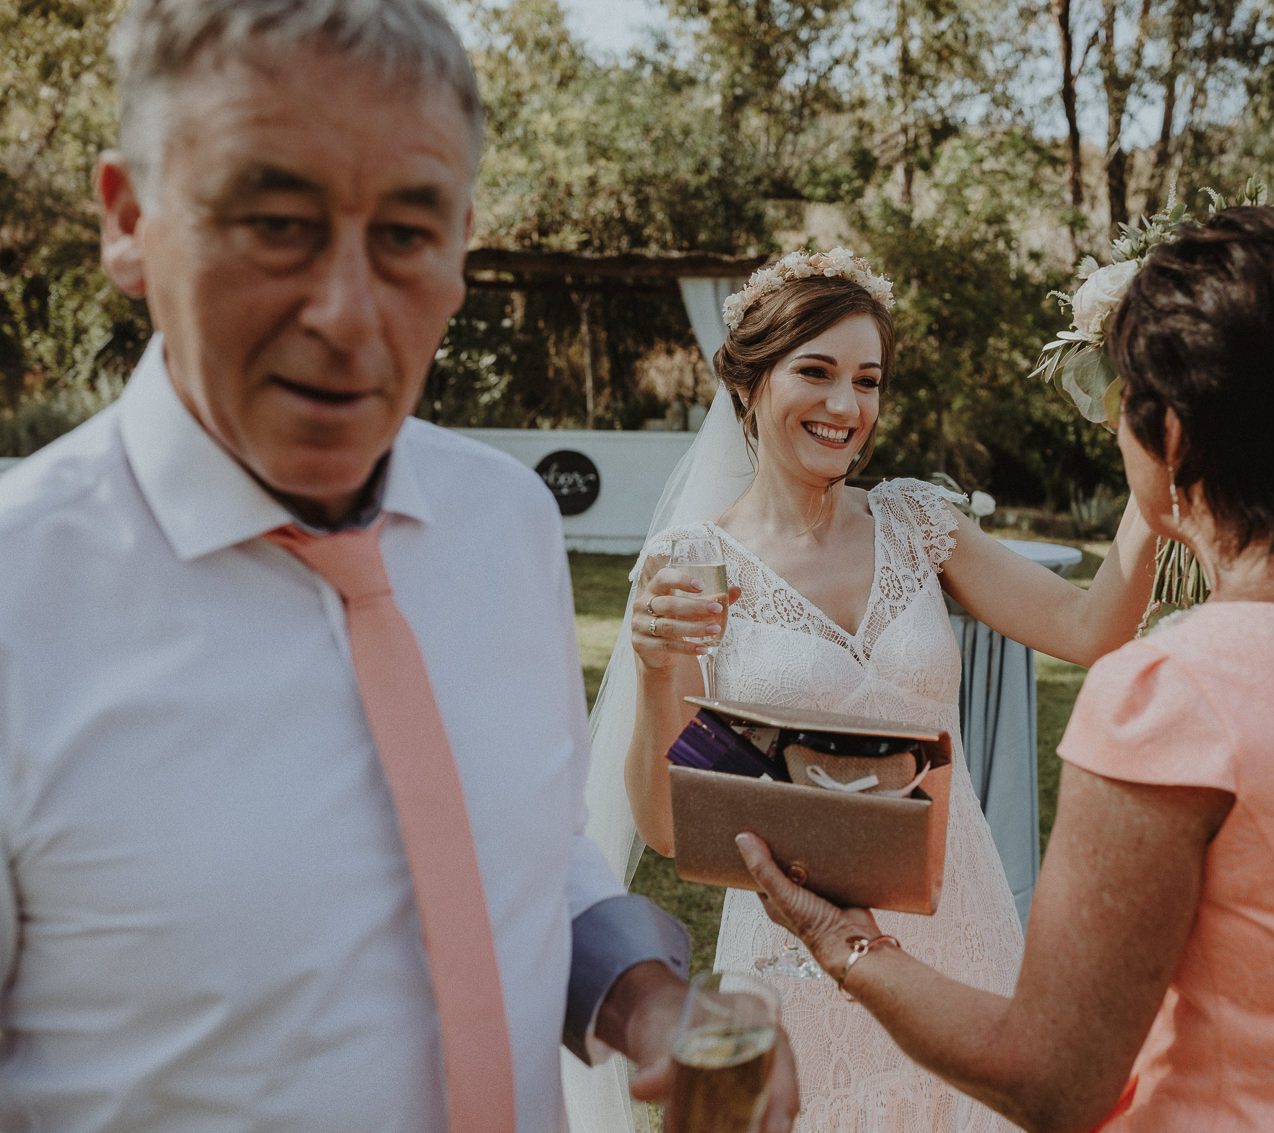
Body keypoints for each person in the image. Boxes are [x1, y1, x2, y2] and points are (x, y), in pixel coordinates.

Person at [0, 2, 796, 1130]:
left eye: (408, 236)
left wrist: (641, 996)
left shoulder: (506, 525)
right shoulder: (16, 600)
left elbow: (523, 842)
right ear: (128, 219)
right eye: (276, 221)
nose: (347, 312)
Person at [733, 207, 1274, 1131]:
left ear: (1173, 441)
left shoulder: (1173, 695)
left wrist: (846, 943)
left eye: (1124, 409)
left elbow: (1053, 1080)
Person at [601, 246, 1158, 1131]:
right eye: (815, 372)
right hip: (796, 952)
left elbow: (1092, 629)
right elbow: (673, 827)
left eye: (868, 379)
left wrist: (1157, 461)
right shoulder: (690, 566)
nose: (845, 405)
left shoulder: (917, 519)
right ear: (748, 384)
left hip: (958, 924)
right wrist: (654, 663)